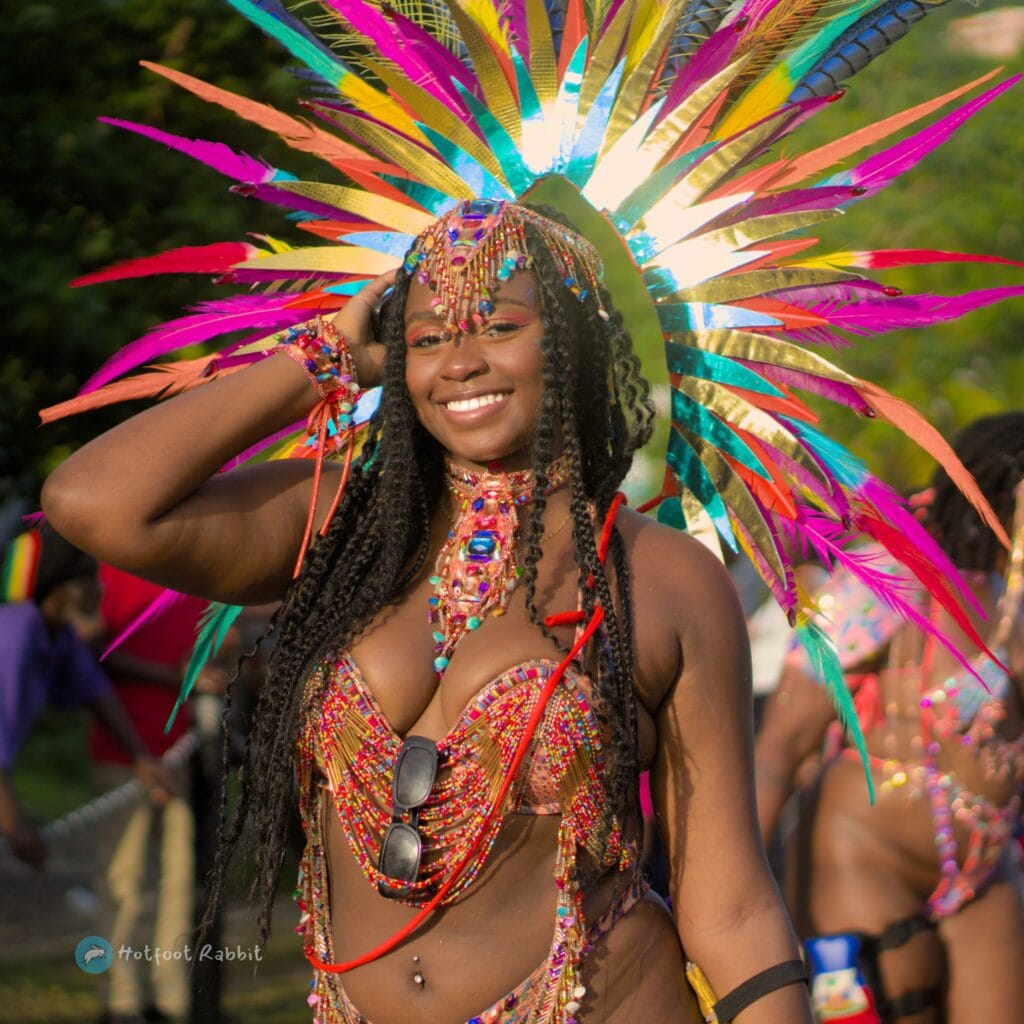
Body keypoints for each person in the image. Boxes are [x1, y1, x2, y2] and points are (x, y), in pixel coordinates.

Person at [37, 3, 1022, 1022]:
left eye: (498, 326)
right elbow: (94, 502)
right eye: (425, 337)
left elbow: (725, 900)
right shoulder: (339, 530)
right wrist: (325, 358)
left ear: (576, 347)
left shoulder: (660, 578)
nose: (459, 360)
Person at [754, 412, 1024, 1023]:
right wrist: (741, 913)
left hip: (986, 872)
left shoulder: (1014, 597)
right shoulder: (889, 578)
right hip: (861, 857)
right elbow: (778, 750)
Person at [91, 562, 227, 1024]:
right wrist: (178, 679)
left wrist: (203, 667)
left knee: (177, 878)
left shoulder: (187, 579)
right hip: (124, 754)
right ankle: (120, 1000)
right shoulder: (109, 572)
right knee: (122, 881)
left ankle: (170, 1001)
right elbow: (98, 656)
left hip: (176, 755)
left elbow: (209, 647)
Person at [0, 527, 174, 866]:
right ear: (62, 589)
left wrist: (140, 757)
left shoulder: (57, 635)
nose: (102, 589)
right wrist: (14, 825)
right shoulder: (17, 632)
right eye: (91, 580)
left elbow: (96, 691)